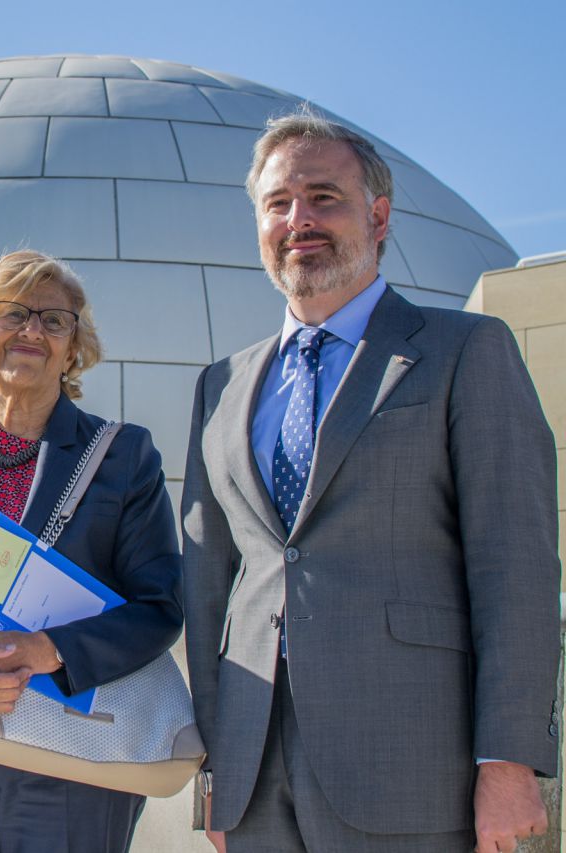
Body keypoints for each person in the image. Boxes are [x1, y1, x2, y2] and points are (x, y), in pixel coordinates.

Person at [181, 109, 560, 853]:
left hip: (415, 763)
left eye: (325, 196)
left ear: (378, 216)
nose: (300, 220)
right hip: (254, 770)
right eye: (279, 203)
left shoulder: (465, 352)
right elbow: (207, 586)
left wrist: (508, 759)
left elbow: (514, 564)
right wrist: (215, 762)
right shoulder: (220, 385)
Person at [0, 250, 183, 852]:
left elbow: (160, 605)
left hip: (66, 743)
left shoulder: (124, 456)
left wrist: (50, 650)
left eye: (53, 320)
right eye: (12, 314)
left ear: (73, 348)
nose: (31, 332)